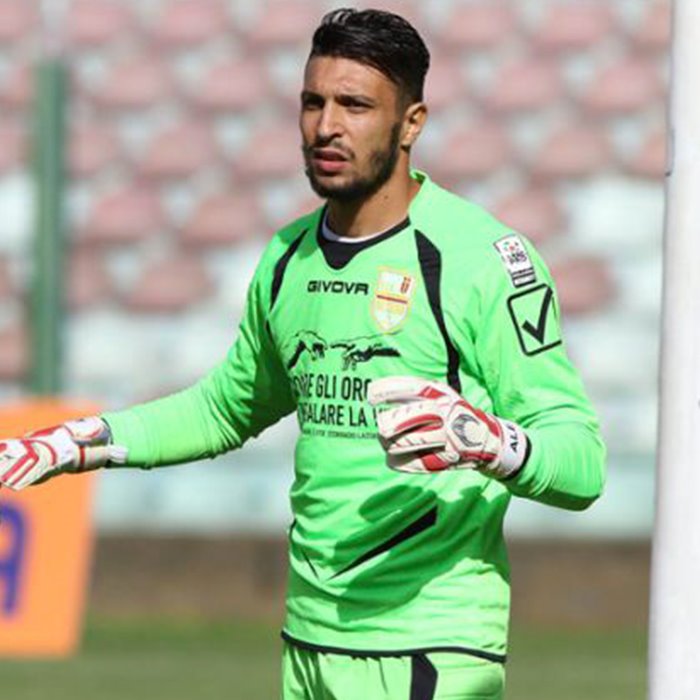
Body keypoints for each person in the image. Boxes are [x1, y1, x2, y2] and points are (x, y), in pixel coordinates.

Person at [0, 9, 605, 700]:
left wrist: (494, 444)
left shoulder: (482, 260)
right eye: (313, 102)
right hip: (309, 642)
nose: (326, 126)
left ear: (411, 123)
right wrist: (82, 441)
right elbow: (225, 408)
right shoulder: (288, 256)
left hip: (428, 645)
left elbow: (582, 463)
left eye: (355, 105)